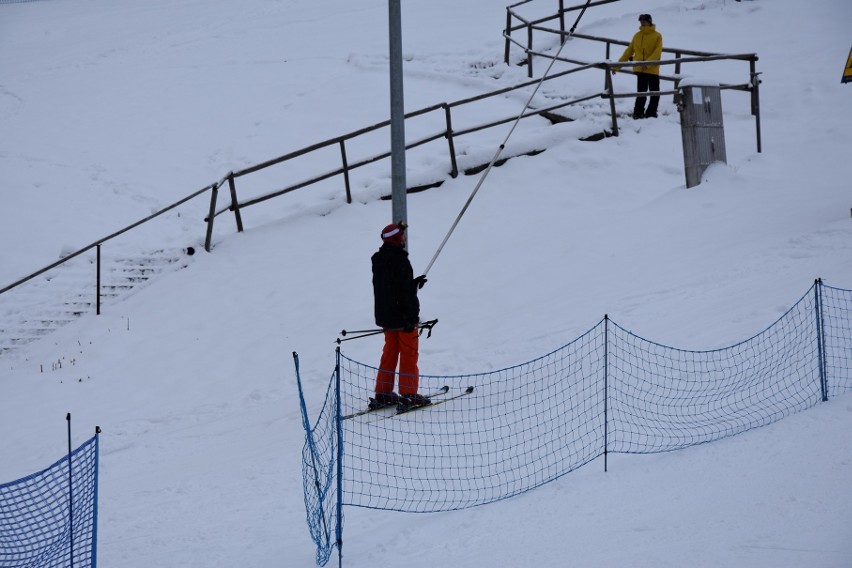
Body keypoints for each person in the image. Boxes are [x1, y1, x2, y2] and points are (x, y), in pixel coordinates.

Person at [370, 222, 429, 411]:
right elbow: (403, 293)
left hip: (387, 317)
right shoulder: (401, 261)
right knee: (409, 353)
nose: (404, 239)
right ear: (396, 238)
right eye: (402, 236)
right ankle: (409, 395)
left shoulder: (379, 260)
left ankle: (383, 392)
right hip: (403, 318)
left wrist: (412, 284)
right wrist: (412, 317)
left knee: (390, 352)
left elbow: (390, 288)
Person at [614, 13, 663, 119]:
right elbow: (628, 52)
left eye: (644, 21)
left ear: (649, 22)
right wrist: (617, 66)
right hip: (640, 69)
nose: (642, 23)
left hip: (652, 69)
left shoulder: (657, 36)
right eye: (641, 21)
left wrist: (648, 64)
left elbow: (657, 52)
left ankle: (651, 113)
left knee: (655, 93)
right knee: (641, 93)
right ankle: (638, 113)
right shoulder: (637, 35)